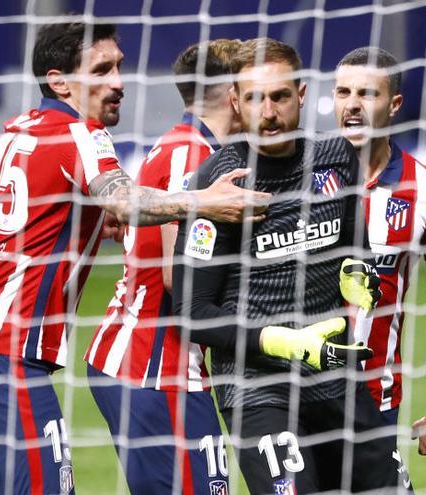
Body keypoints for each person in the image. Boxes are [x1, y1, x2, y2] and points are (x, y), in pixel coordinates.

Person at [0, 21, 270, 494]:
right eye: (102, 70)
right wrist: (203, 201)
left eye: (119, 67)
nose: (119, 82)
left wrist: (83, 225)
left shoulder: (17, 133)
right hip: (9, 348)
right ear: (59, 81)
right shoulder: (84, 134)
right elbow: (125, 201)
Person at [172, 37, 409, 493]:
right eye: (255, 98)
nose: (268, 113)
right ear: (236, 102)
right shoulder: (217, 184)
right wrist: (281, 341)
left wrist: (357, 275)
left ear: (300, 95)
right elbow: (190, 312)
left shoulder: (338, 159)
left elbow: (353, 250)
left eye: (280, 96)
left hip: (335, 377)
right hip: (259, 388)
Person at [84, 39, 242, 495]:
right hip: (151, 364)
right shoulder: (191, 155)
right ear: (234, 95)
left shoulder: (187, 146)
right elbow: (180, 276)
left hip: (161, 360)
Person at [333, 46, 426, 455]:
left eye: (366, 94)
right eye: (342, 93)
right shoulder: (299, 178)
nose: (351, 105)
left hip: (377, 398)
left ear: (394, 105)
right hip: (294, 395)